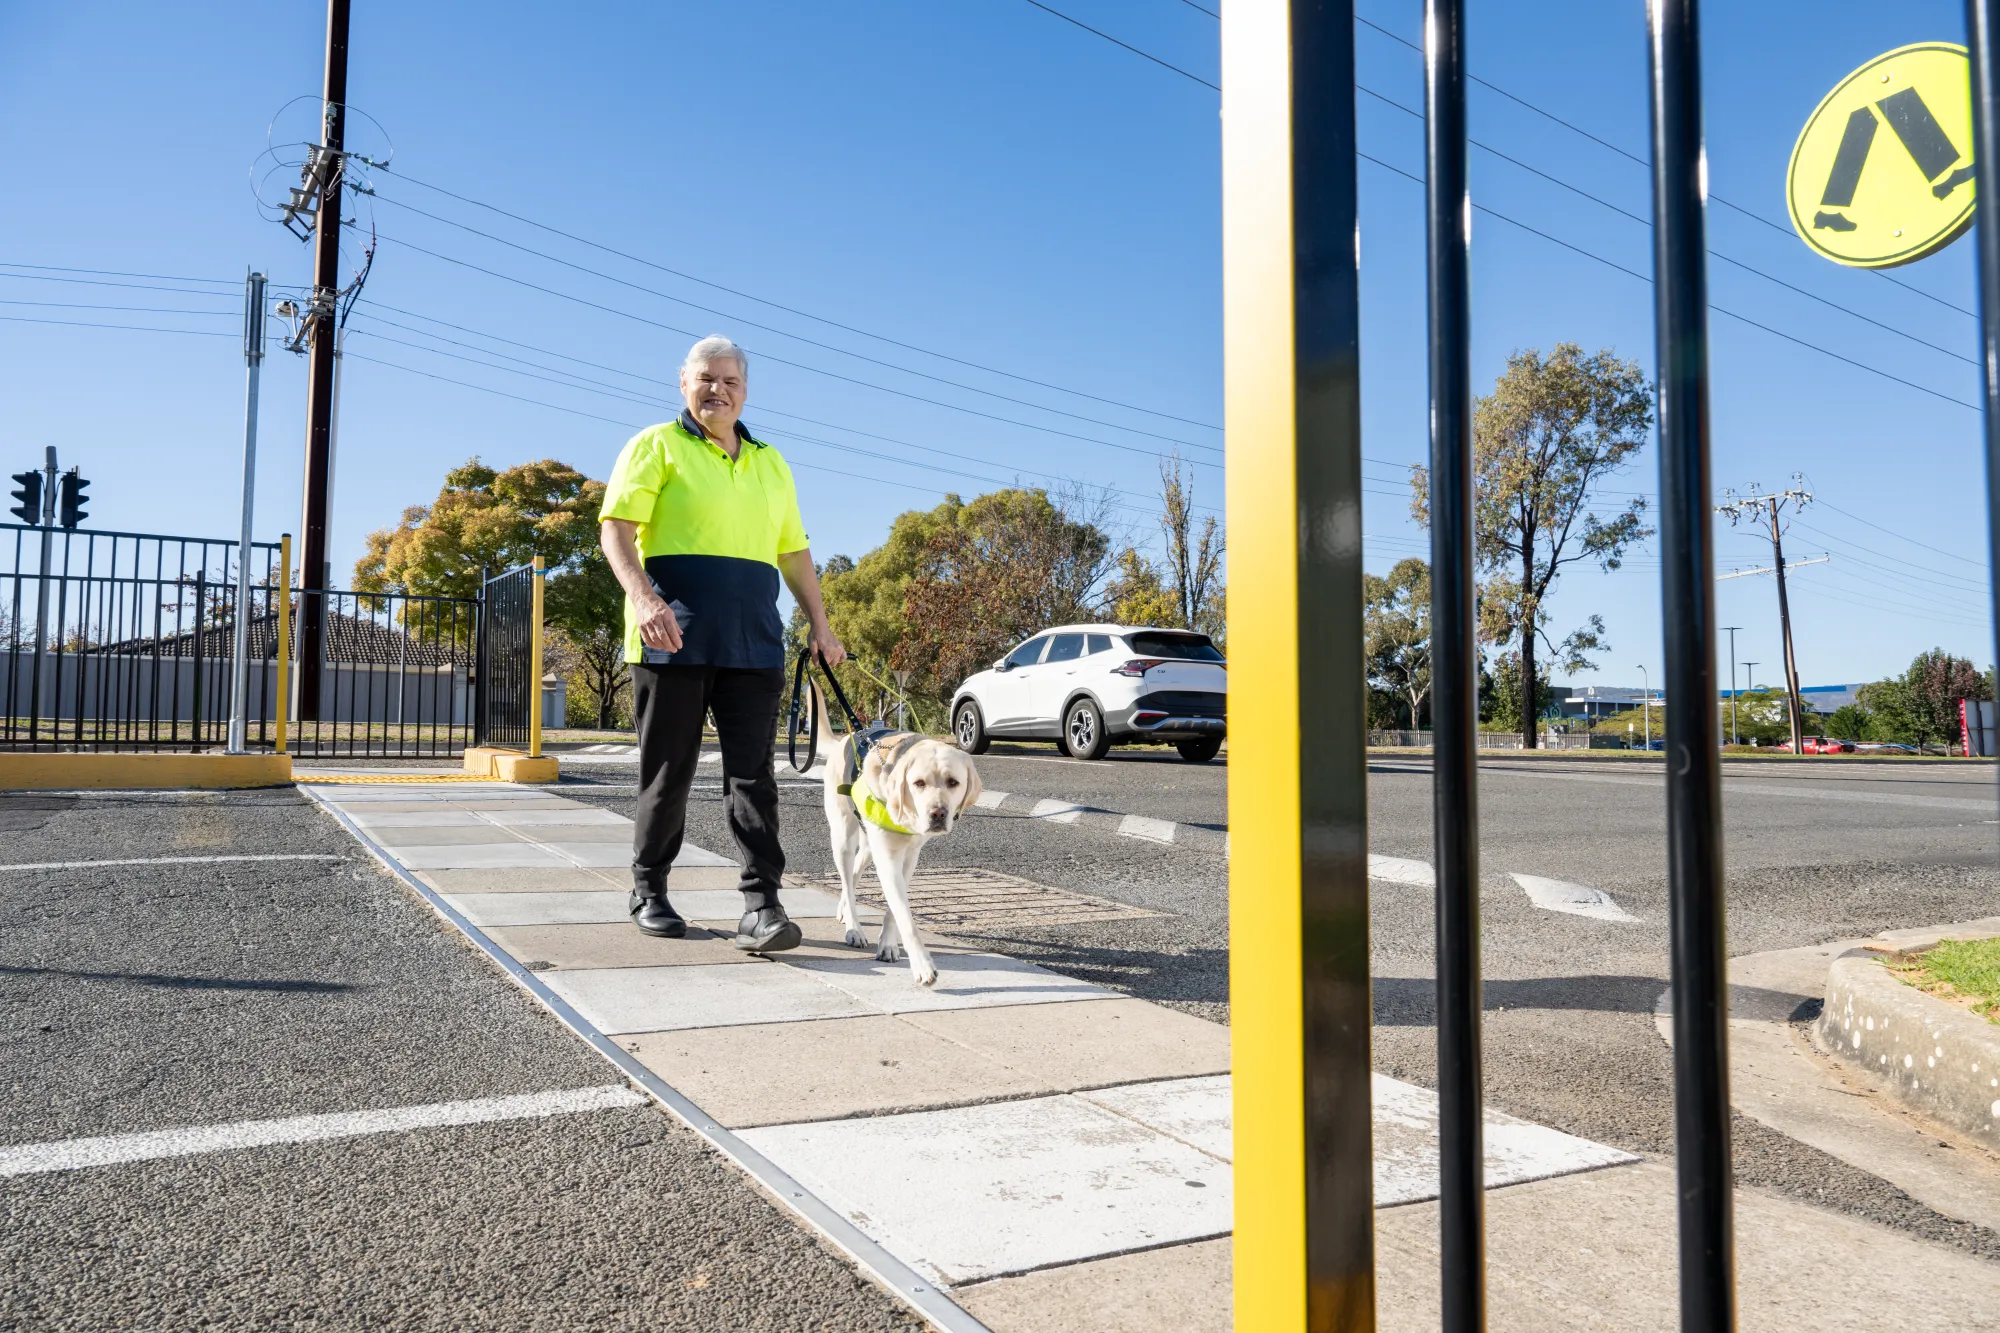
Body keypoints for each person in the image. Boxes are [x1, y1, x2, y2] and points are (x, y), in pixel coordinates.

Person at [598, 335, 846, 951]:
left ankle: (762, 905)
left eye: (730, 381)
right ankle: (648, 889)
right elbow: (616, 531)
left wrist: (820, 622)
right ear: (684, 382)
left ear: (745, 390)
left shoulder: (770, 461)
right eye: (707, 379)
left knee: (753, 779)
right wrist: (646, 600)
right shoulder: (655, 445)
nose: (718, 390)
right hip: (672, 638)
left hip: (754, 643)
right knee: (668, 774)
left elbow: (794, 550)